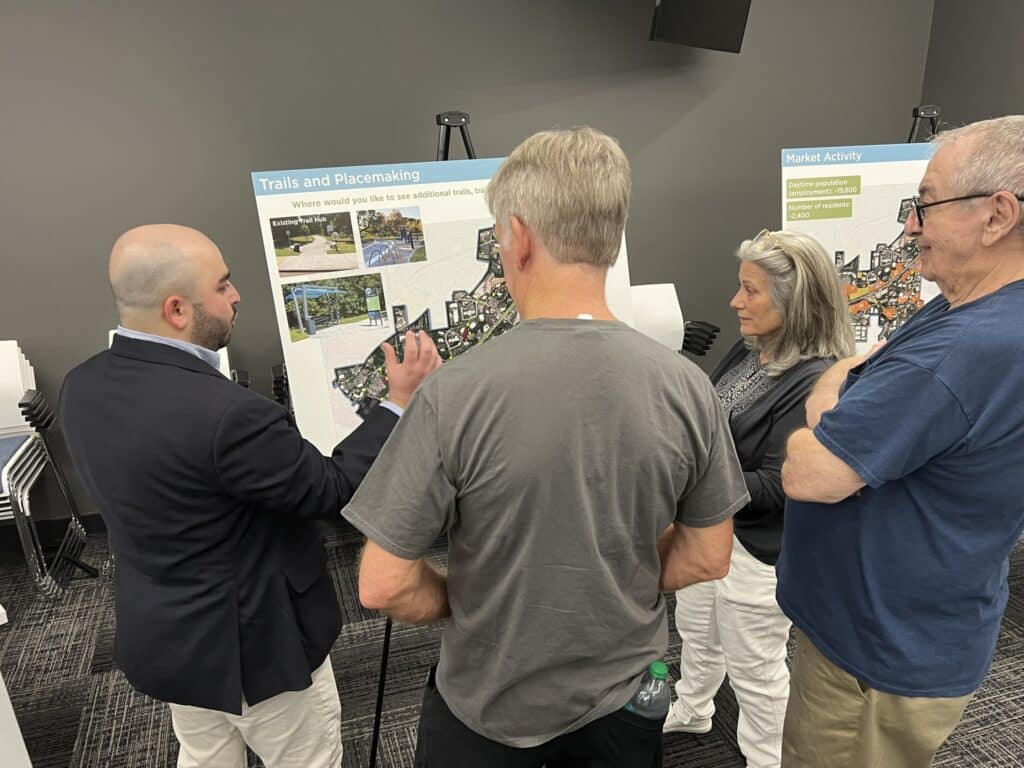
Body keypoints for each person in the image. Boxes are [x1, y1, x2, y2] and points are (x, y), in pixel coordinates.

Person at [341, 126, 750, 767]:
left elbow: (384, 585)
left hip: (488, 714)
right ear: (610, 239)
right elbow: (709, 556)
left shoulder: (454, 393)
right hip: (630, 704)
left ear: (519, 237)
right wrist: (624, 578)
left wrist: (463, 597)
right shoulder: (688, 387)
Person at [58, 224, 440, 768]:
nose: (237, 295)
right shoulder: (229, 416)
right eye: (223, 284)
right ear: (177, 310)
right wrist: (399, 401)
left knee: (205, 754)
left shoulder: (81, 385)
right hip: (259, 649)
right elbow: (332, 490)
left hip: (169, 636)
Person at [777, 115, 1024, 767]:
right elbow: (857, 373)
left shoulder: (961, 350)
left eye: (925, 204)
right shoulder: (969, 310)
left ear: (997, 215)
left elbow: (812, 473)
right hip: (918, 621)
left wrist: (828, 401)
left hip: (872, 659)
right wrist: (844, 390)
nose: (910, 225)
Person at [663, 230, 854, 767]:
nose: (735, 302)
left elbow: (779, 487)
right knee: (696, 631)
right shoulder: (754, 348)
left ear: (792, 303)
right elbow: (713, 420)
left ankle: (767, 759)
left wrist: (684, 479)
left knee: (755, 666)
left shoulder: (815, 380)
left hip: (758, 549)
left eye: (750, 291)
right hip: (710, 528)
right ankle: (695, 707)